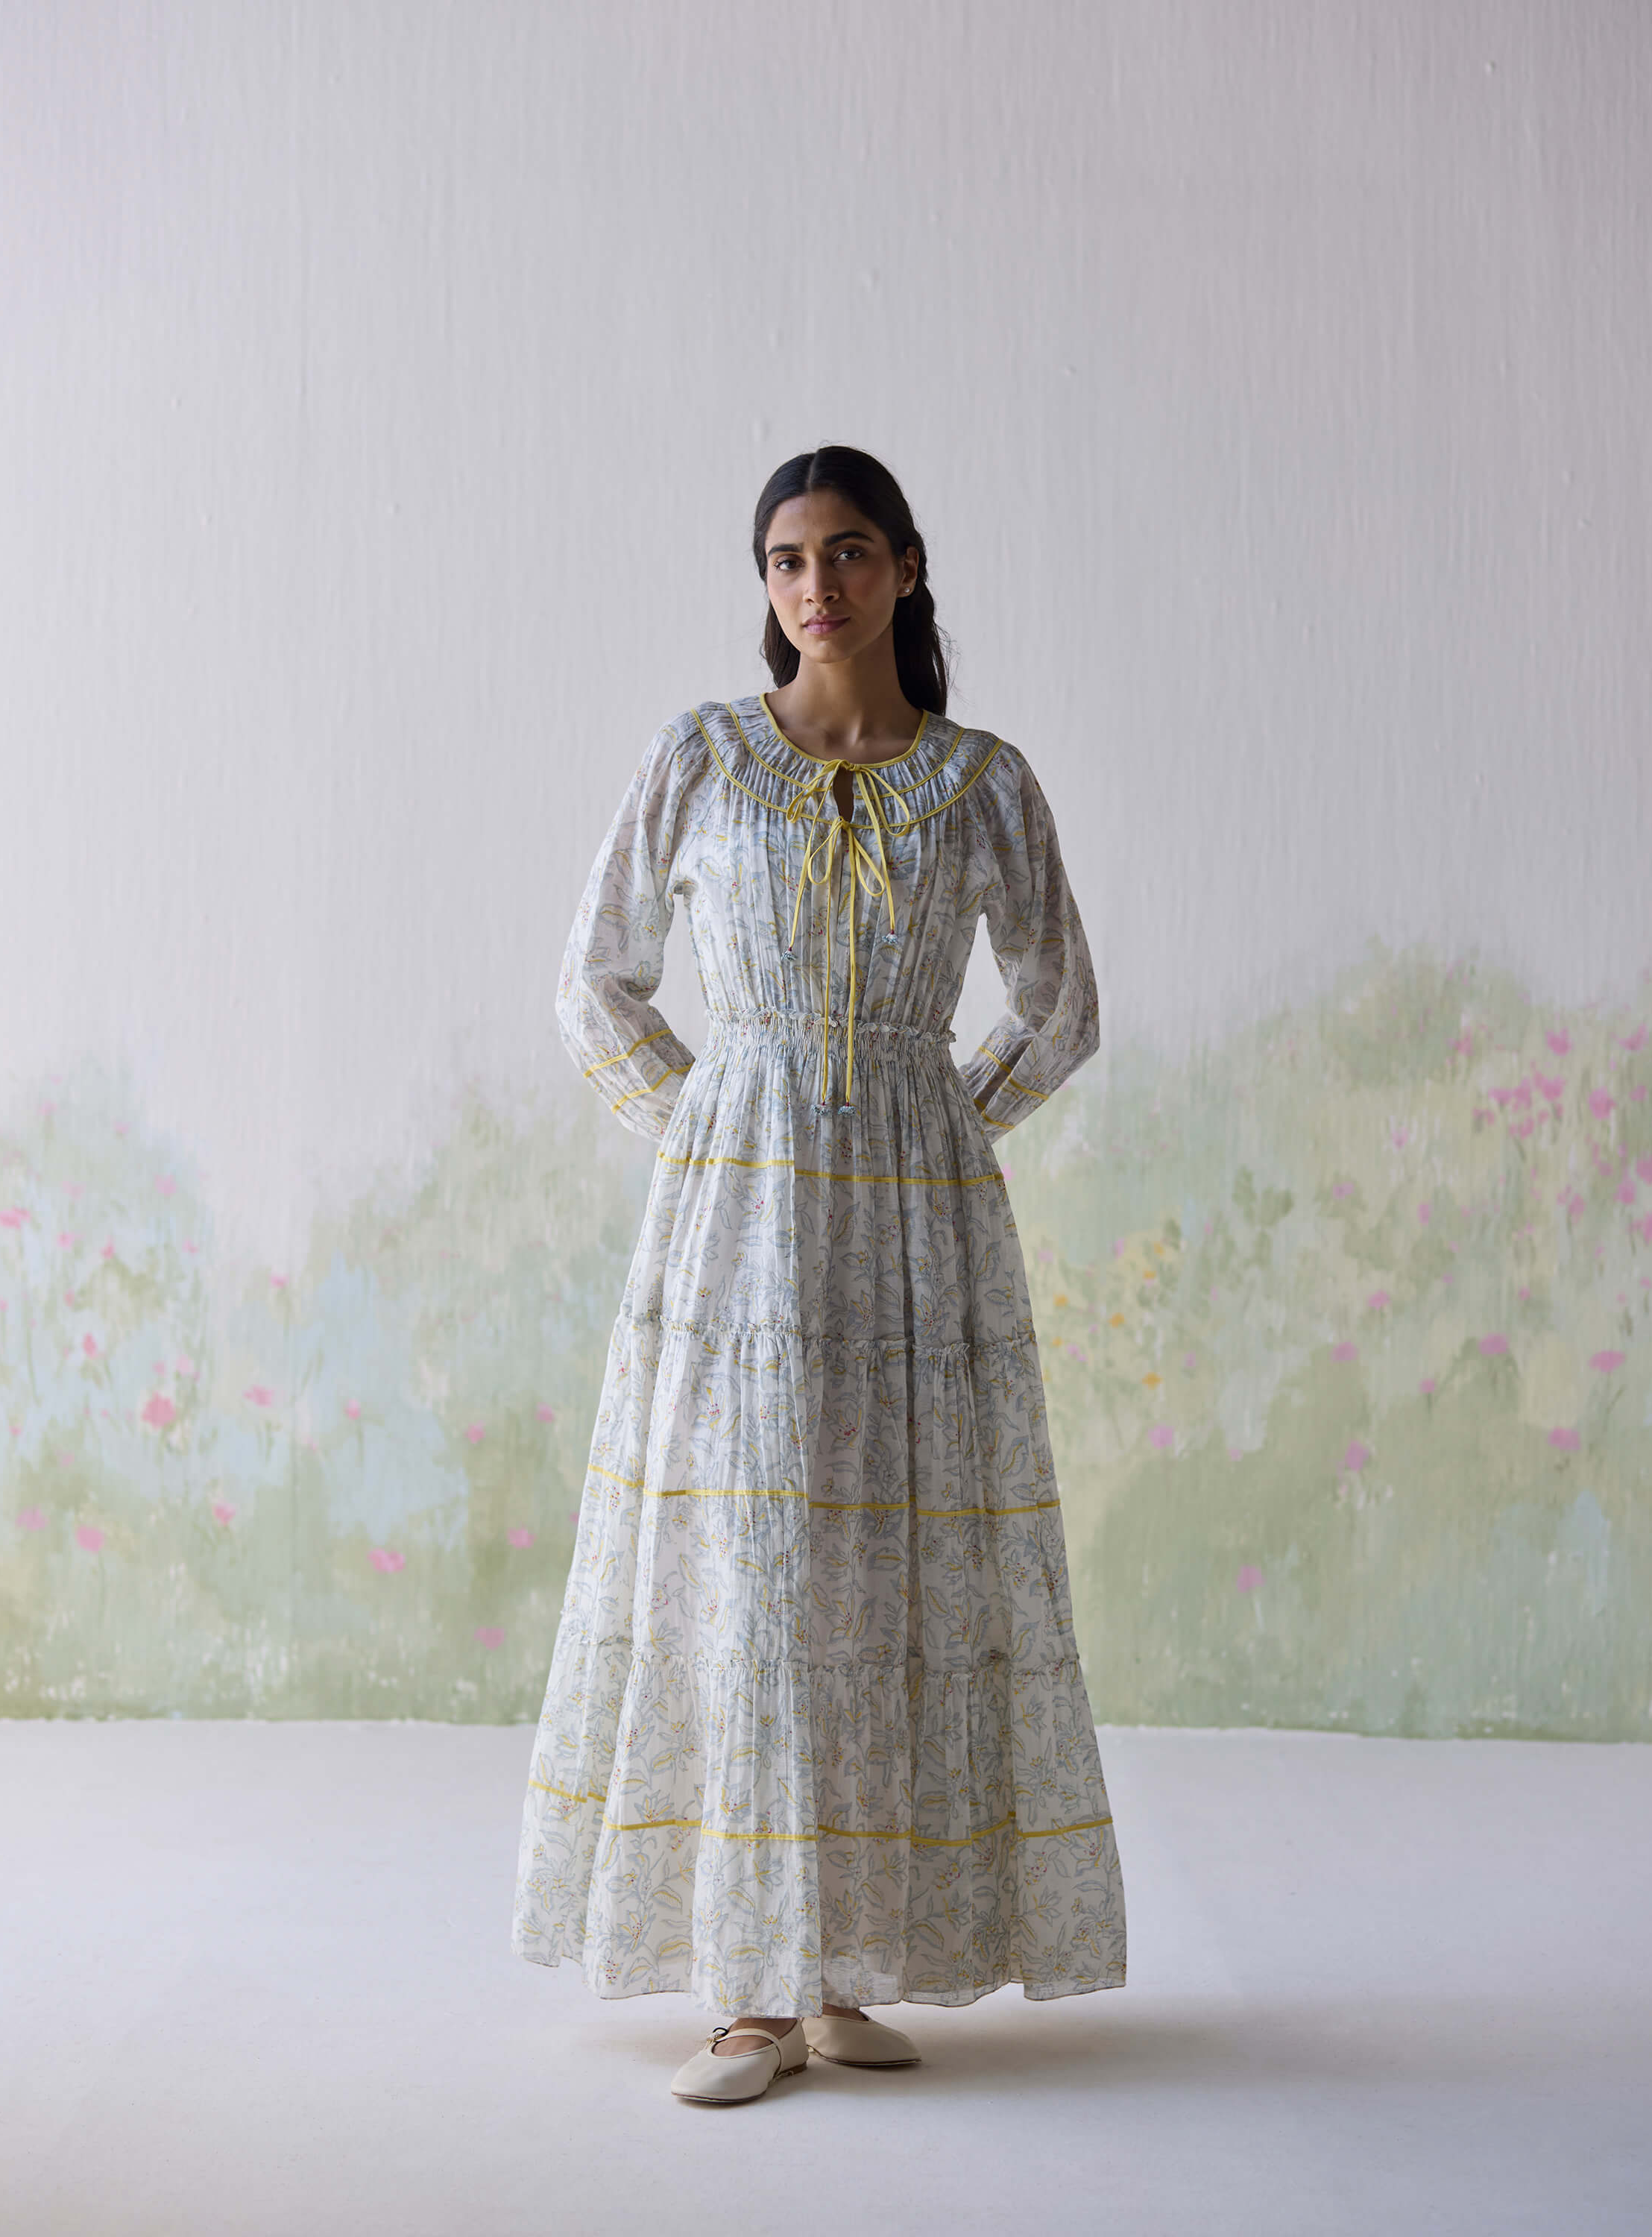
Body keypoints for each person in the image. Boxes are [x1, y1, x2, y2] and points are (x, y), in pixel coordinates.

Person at [512, 444, 1127, 2104]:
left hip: (917, 1235)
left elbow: (1062, 1004)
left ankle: (847, 1965)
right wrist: (714, 1124)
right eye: (788, 560)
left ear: (909, 569)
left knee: (889, 1579)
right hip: (743, 1234)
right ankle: (749, 1988)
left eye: (849, 554)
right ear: (766, 583)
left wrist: (943, 1125)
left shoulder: (983, 779)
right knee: (752, 1577)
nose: (817, 586)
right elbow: (596, 986)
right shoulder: (702, 759)